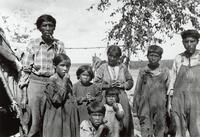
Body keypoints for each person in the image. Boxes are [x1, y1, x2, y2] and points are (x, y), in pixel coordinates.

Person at [19, 14, 66, 137]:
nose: (47, 28)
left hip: (52, 83)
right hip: (35, 83)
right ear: (39, 28)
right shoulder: (33, 44)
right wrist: (24, 95)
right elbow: (26, 70)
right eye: (44, 25)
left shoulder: (59, 45)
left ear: (54, 28)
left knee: (50, 118)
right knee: (34, 120)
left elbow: (62, 66)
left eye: (50, 25)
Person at [94, 45, 134, 137]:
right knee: (107, 121)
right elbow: (96, 84)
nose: (112, 59)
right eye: (110, 56)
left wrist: (123, 85)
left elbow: (130, 81)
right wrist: (108, 85)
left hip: (121, 97)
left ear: (118, 57)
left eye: (115, 57)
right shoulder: (102, 67)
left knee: (124, 121)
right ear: (107, 55)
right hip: (106, 98)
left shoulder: (122, 67)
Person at [168, 29, 200, 137]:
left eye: (192, 41)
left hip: (197, 99)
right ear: (183, 43)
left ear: (197, 41)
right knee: (179, 129)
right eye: (186, 42)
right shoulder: (179, 58)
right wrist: (170, 101)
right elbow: (172, 80)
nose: (189, 44)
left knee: (197, 129)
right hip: (179, 99)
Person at [133, 45, 171, 137]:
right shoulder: (143, 71)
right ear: (147, 56)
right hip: (145, 108)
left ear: (160, 58)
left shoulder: (165, 71)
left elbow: (169, 91)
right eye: (151, 55)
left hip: (160, 108)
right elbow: (137, 91)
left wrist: (168, 109)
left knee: (160, 132)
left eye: (156, 56)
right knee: (145, 132)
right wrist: (135, 109)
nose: (153, 58)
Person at [43, 53, 79, 137]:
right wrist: (64, 82)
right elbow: (57, 100)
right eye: (62, 65)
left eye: (68, 66)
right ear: (55, 66)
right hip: (57, 118)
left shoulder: (67, 80)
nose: (65, 69)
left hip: (68, 117)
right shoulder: (51, 81)